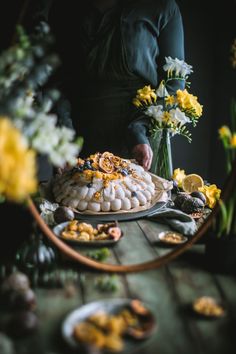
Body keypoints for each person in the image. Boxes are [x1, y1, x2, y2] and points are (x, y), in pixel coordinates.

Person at [24, 0, 185, 171]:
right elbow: (55, 81)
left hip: (140, 147)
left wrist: (139, 131)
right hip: (75, 146)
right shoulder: (65, 7)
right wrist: (64, 137)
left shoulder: (161, 6)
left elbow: (174, 84)